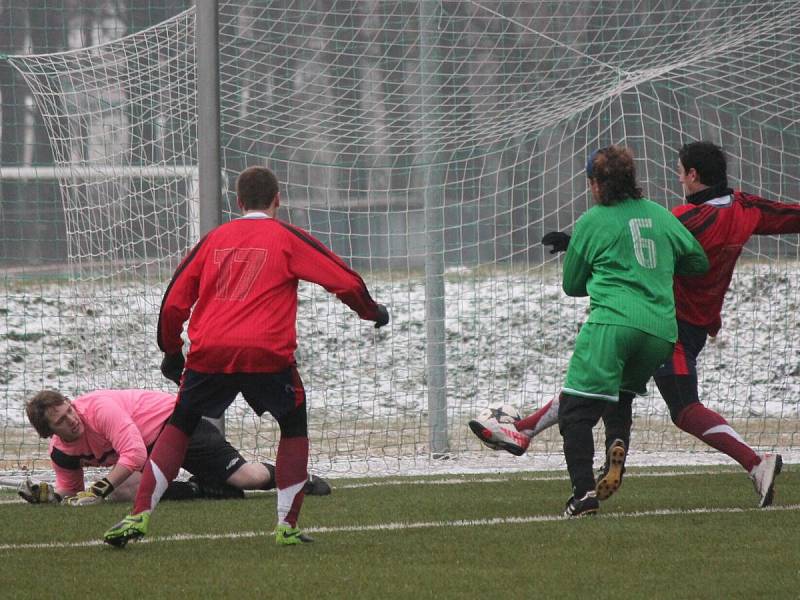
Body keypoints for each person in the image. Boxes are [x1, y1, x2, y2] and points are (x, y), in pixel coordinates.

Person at [470, 141, 793, 509]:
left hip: (668, 323)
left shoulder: (684, 216)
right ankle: (561, 435)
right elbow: (782, 218)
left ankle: (755, 462)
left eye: (680, 171)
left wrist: (577, 244)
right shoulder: (744, 208)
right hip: (682, 326)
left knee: (675, 406)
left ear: (692, 175)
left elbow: (628, 242)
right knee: (611, 388)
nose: (678, 178)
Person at [103, 165, 389, 548]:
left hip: (210, 352)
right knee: (293, 426)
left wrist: (172, 350)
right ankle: (286, 525)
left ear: (238, 202)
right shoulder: (288, 236)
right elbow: (344, 280)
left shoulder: (213, 239)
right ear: (277, 199)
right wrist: (372, 312)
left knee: (180, 426)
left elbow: (173, 302)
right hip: (266, 352)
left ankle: (139, 515)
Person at [18, 389, 331, 506]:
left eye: (69, 409)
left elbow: (134, 455)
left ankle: (300, 478)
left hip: (177, 424)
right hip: (148, 444)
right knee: (122, 490)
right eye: (61, 420)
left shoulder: (98, 409)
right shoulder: (61, 453)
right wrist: (50, 496)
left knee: (246, 478)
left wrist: (98, 488)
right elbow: (72, 491)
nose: (71, 419)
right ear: (50, 433)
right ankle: (201, 490)